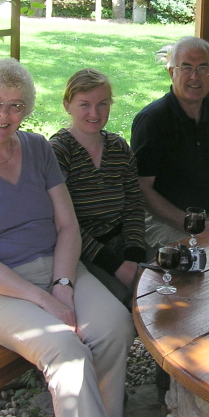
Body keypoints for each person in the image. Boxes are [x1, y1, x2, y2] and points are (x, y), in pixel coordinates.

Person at [0, 57, 134, 417]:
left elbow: (68, 225)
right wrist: (46, 300)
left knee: (115, 327)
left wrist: (62, 285)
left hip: (59, 268)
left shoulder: (39, 149)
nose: (5, 115)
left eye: (16, 105)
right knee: (66, 351)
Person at [131, 36, 209, 246]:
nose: (195, 76)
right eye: (186, 67)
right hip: (165, 224)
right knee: (198, 261)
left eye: (203, 68)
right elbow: (141, 188)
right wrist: (190, 224)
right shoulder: (153, 120)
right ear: (171, 72)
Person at [50, 68, 147, 308]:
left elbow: (134, 204)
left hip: (123, 241)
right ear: (67, 105)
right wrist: (116, 265)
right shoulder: (59, 151)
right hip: (83, 252)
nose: (94, 113)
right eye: (84, 104)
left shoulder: (118, 147)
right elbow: (61, 220)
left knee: (168, 283)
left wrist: (134, 254)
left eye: (102, 104)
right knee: (124, 302)